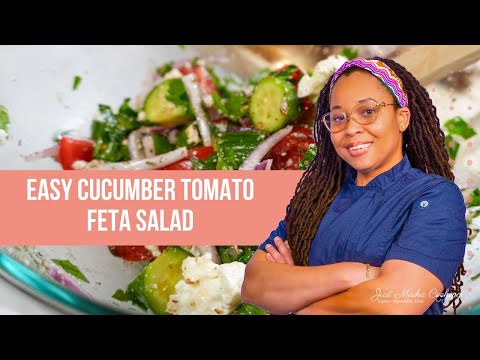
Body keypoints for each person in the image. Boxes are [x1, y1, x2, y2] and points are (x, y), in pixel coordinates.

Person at [241, 57, 468, 315]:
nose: (350, 129)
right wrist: (355, 274)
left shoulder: (436, 198)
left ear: (402, 118)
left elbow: (396, 303)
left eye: (368, 112)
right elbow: (254, 285)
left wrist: (296, 294)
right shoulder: (314, 203)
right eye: (338, 118)